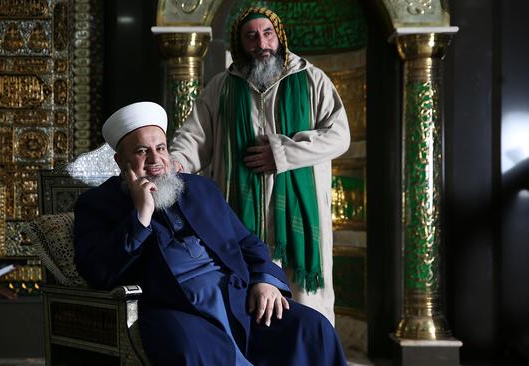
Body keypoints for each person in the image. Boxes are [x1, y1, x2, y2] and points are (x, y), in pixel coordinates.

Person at [74, 101, 346, 365]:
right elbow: (99, 271)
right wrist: (141, 216)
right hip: (174, 306)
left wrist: (265, 280)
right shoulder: (97, 203)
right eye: (142, 151)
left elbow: (246, 242)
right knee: (193, 352)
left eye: (161, 148)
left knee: (313, 328)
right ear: (120, 160)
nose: (156, 159)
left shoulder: (199, 188)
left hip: (236, 297)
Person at [170, 7, 350, 324]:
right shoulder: (221, 87)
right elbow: (194, 138)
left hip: (298, 222)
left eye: (267, 34)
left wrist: (282, 154)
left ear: (279, 36)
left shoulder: (312, 79)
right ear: (240, 43)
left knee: (304, 307)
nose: (261, 43)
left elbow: (339, 137)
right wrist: (175, 160)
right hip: (238, 216)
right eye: (251, 36)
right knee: (246, 303)